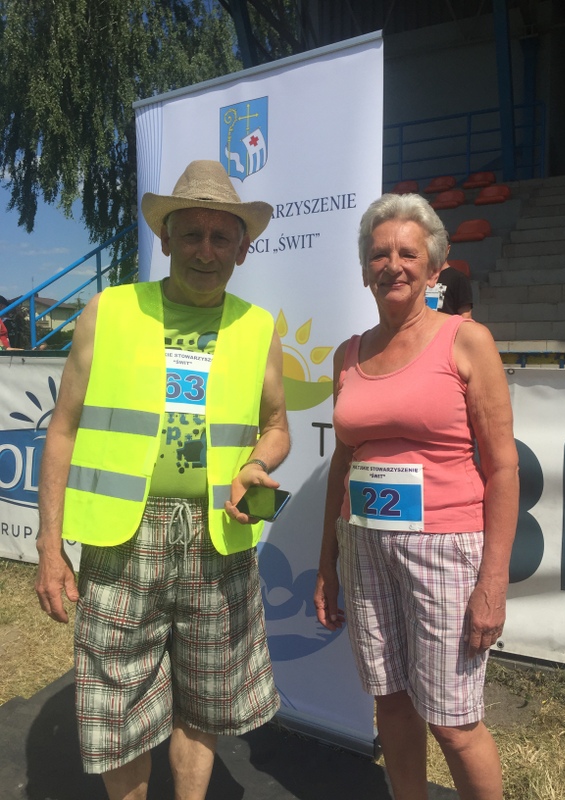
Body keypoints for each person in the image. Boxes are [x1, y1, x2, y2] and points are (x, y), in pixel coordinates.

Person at [35, 160, 290, 800]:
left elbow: (277, 426)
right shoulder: (109, 312)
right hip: (124, 536)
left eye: (221, 236)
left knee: (204, 697)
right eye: (191, 234)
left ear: (242, 248)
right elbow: (61, 430)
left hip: (217, 536)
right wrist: (49, 546)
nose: (206, 250)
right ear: (165, 238)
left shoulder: (258, 327)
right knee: (115, 705)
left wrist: (258, 464)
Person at [314, 192, 518, 800]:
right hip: (364, 547)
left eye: (408, 253)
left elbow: (503, 467)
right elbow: (343, 462)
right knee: (392, 704)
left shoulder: (466, 340)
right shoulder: (348, 354)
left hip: (445, 549)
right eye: (380, 254)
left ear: (434, 269)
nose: (393, 265)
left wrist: (493, 582)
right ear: (365, 270)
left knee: (454, 724)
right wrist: (327, 562)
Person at [435, 247, 473, 317]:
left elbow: (465, 315)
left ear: (447, 249)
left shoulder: (459, 278)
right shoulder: (420, 277)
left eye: (440, 246)